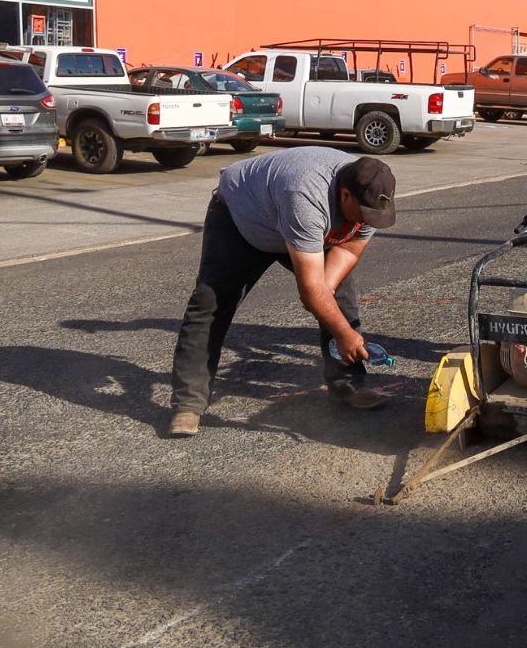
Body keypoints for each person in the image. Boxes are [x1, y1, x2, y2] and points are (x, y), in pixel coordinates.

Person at [165, 148, 398, 438]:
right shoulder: (306, 195)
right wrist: (337, 326)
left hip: (293, 222)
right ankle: (188, 404)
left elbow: (348, 249)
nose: (366, 222)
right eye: (363, 215)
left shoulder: (373, 201)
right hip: (243, 219)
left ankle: (347, 386)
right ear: (346, 195)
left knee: (340, 297)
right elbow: (310, 289)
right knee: (211, 305)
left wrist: (326, 298)